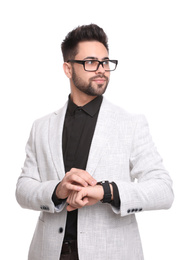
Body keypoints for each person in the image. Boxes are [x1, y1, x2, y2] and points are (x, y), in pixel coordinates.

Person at [16, 24, 174, 260]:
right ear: (68, 69)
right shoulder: (42, 127)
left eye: (105, 62)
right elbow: (23, 189)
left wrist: (107, 191)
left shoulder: (130, 123)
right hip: (49, 252)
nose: (101, 70)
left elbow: (163, 190)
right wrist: (57, 191)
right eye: (90, 62)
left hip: (111, 253)